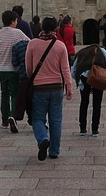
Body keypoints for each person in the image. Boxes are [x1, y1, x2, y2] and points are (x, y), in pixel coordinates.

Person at [25, 16, 73, 160]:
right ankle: (54, 151)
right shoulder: (60, 46)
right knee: (56, 120)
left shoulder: (32, 44)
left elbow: (28, 67)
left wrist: (33, 77)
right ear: (55, 29)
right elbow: (65, 69)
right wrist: (69, 87)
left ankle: (43, 139)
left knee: (38, 118)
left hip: (39, 87)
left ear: (41, 27)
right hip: (57, 87)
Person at [0, 10, 29, 132]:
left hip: (1, 68)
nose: (16, 23)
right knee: (15, 93)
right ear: (12, 21)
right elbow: (29, 42)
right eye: (16, 21)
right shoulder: (17, 32)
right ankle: (12, 115)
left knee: (4, 93)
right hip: (13, 68)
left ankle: (4, 120)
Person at [72, 43, 106, 137]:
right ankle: (95, 129)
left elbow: (73, 70)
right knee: (97, 104)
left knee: (84, 102)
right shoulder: (102, 51)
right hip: (98, 77)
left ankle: (82, 128)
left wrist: (78, 80)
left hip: (84, 77)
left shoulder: (82, 52)